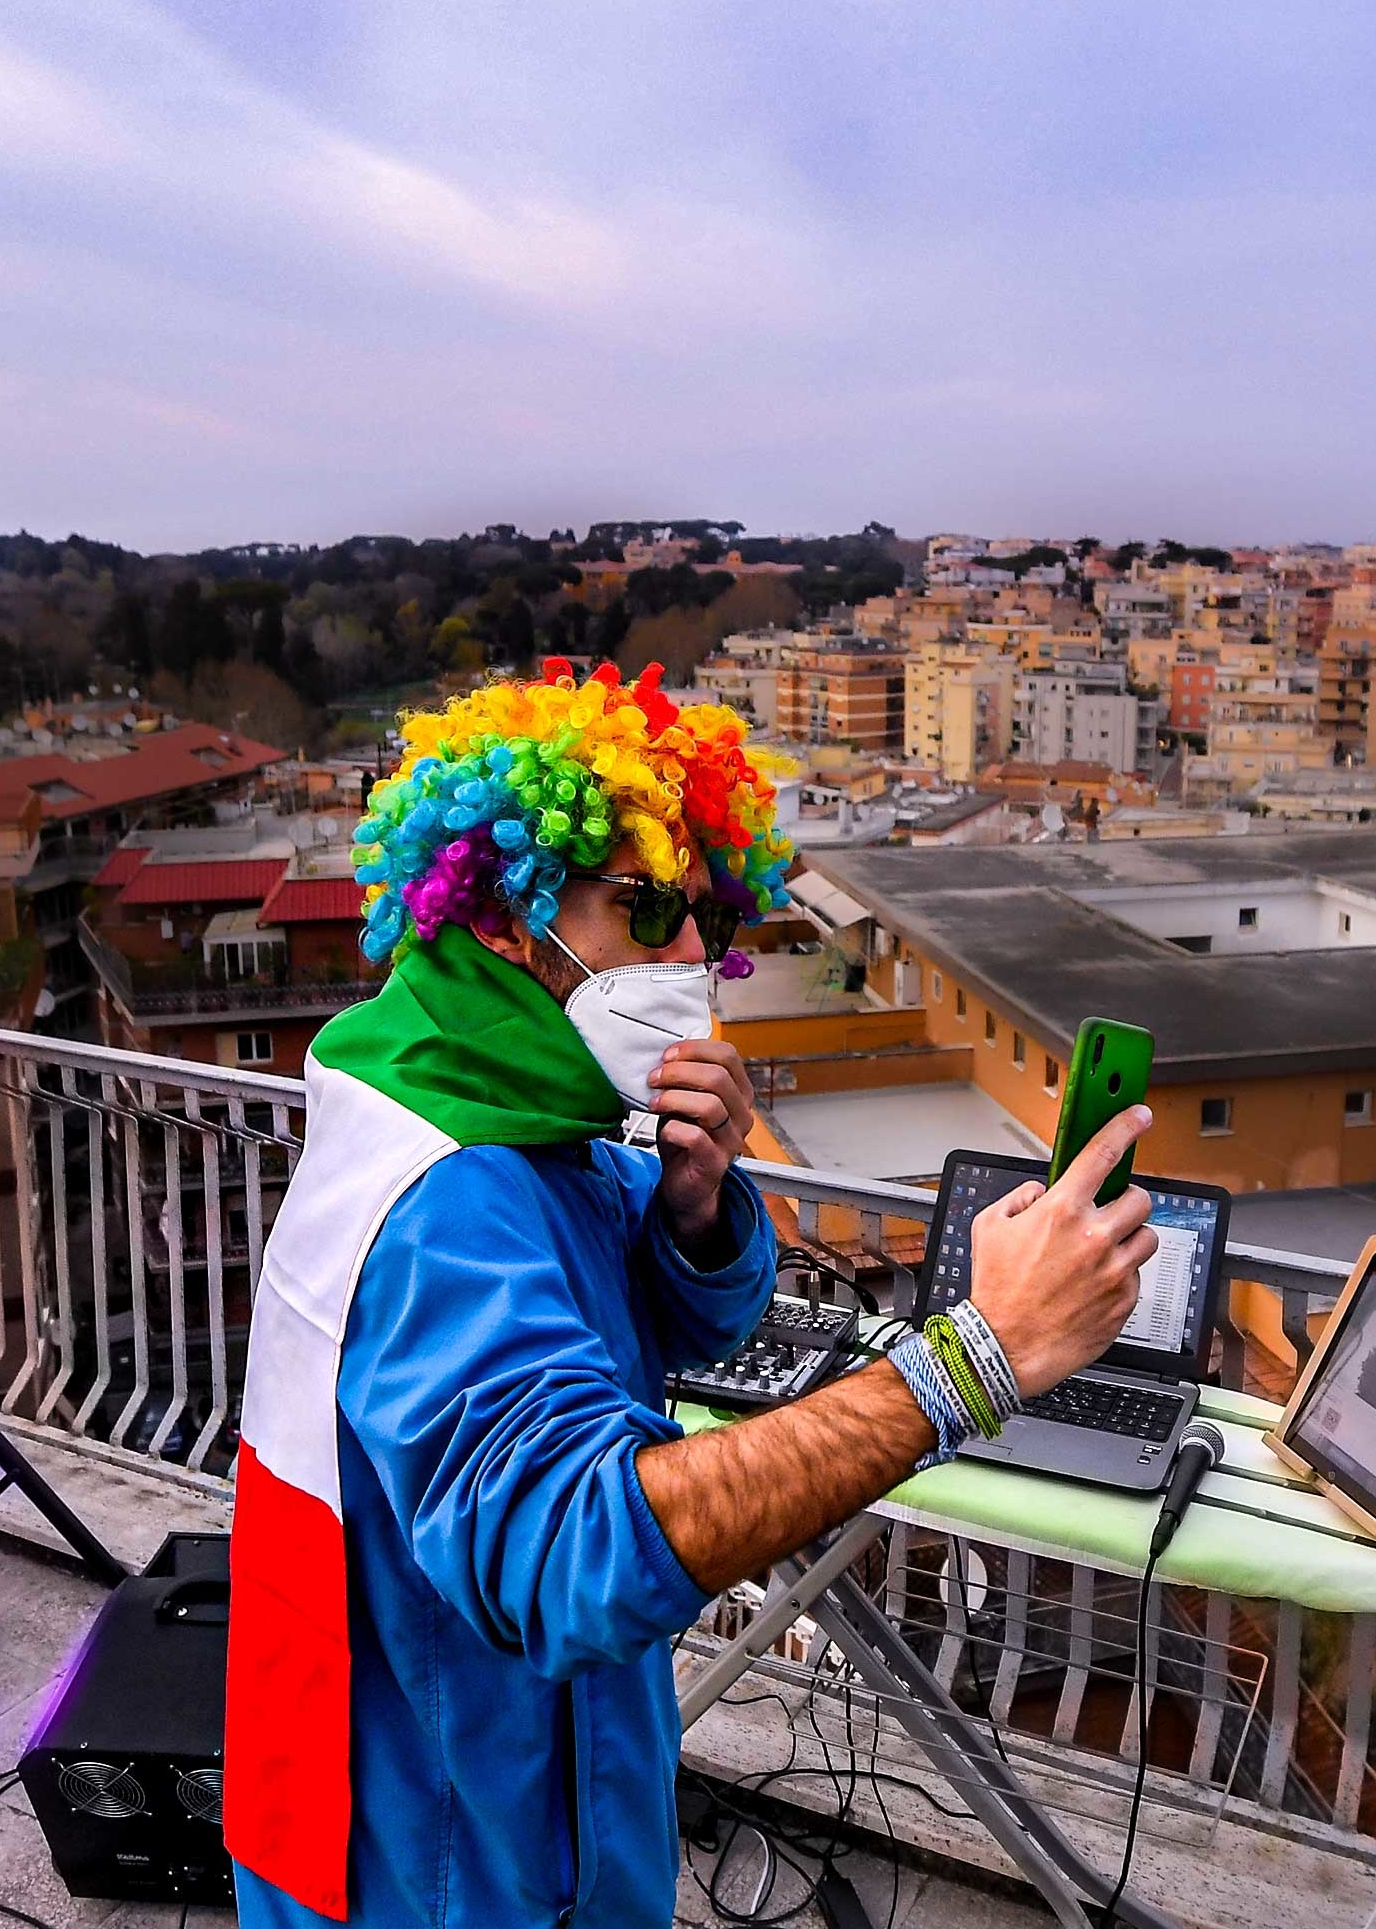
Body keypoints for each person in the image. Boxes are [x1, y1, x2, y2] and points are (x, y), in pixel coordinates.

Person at [224, 661, 1157, 1928]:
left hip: (493, 1800)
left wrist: (696, 1206)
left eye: (706, 923)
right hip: (444, 1863)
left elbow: (685, 1324)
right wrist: (977, 1354)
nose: (689, 959)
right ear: (507, 909)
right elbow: (580, 1551)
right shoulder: (447, 1202)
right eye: (647, 908)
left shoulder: (505, 1103)